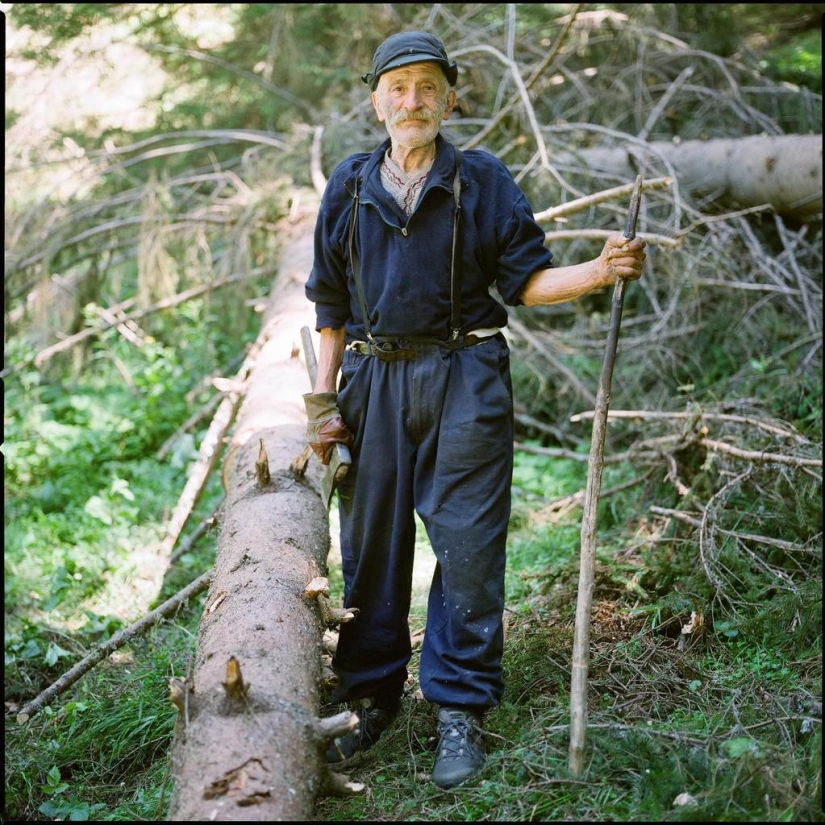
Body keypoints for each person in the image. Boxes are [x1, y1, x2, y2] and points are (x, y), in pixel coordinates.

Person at [303, 30, 646, 790]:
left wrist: (596, 269)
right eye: (397, 87)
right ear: (375, 101)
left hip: (466, 373)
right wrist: (322, 401)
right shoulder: (349, 184)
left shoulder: (482, 180)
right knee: (370, 544)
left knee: (466, 544)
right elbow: (330, 305)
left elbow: (527, 281)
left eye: (427, 86)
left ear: (449, 98)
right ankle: (368, 695)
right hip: (373, 381)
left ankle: (458, 705)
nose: (412, 99)